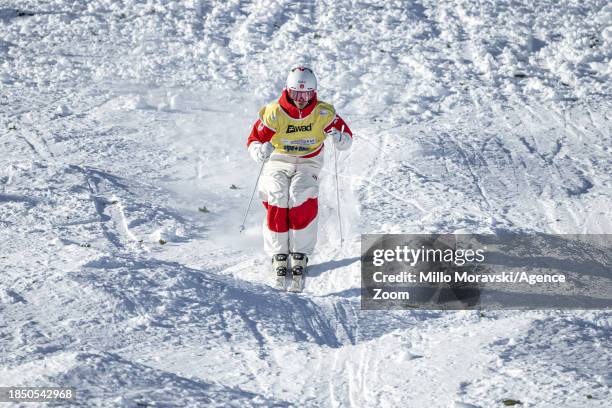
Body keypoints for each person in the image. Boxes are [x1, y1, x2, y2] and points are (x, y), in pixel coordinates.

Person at [246, 66, 353, 278]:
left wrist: (340, 138)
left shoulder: (323, 113)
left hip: (308, 161)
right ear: (288, 90)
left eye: (306, 94)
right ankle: (278, 252)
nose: (301, 99)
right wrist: (260, 151)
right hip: (279, 160)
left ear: (314, 93)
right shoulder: (275, 112)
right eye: (296, 93)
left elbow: (346, 138)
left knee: (301, 194)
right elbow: (253, 140)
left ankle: (300, 252)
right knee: (278, 194)